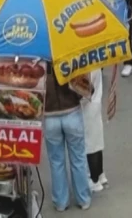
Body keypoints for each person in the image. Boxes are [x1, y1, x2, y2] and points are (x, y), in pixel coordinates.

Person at [44, 76, 94, 211]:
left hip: (49, 115)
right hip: (72, 112)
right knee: (78, 158)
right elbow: (88, 89)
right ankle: (83, 199)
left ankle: (60, 202)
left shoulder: (40, 60)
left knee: (56, 161)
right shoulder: (69, 58)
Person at [82, 68, 108, 192]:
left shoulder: (86, 67)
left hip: (87, 106)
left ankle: (94, 179)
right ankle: (100, 173)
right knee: (96, 141)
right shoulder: (95, 64)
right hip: (95, 102)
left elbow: (83, 91)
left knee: (90, 144)